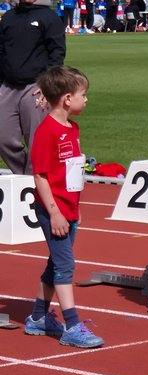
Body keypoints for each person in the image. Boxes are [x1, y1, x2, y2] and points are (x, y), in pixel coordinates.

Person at [25, 65, 104, 348]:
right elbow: (40, 176)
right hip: (53, 210)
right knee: (65, 265)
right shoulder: (46, 132)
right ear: (68, 98)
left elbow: (71, 172)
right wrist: (55, 212)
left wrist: (74, 208)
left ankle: (37, 317)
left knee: (56, 263)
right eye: (84, 94)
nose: (87, 99)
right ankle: (72, 325)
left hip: (69, 209)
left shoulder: (72, 128)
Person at [0, 0, 65, 176]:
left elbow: (57, 53)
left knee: (37, 141)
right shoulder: (9, 17)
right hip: (8, 86)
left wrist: (48, 84)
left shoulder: (49, 17)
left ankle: (34, 181)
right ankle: (25, 177)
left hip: (37, 86)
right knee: (3, 137)